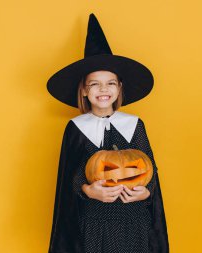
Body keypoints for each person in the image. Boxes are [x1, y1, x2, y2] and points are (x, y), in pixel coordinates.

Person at [46, 13, 169, 253]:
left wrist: (146, 191)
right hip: (93, 223)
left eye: (110, 82)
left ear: (119, 87)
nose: (103, 89)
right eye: (94, 83)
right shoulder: (76, 127)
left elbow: (149, 170)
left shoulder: (134, 125)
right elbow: (70, 177)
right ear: (83, 90)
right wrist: (87, 189)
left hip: (134, 222)